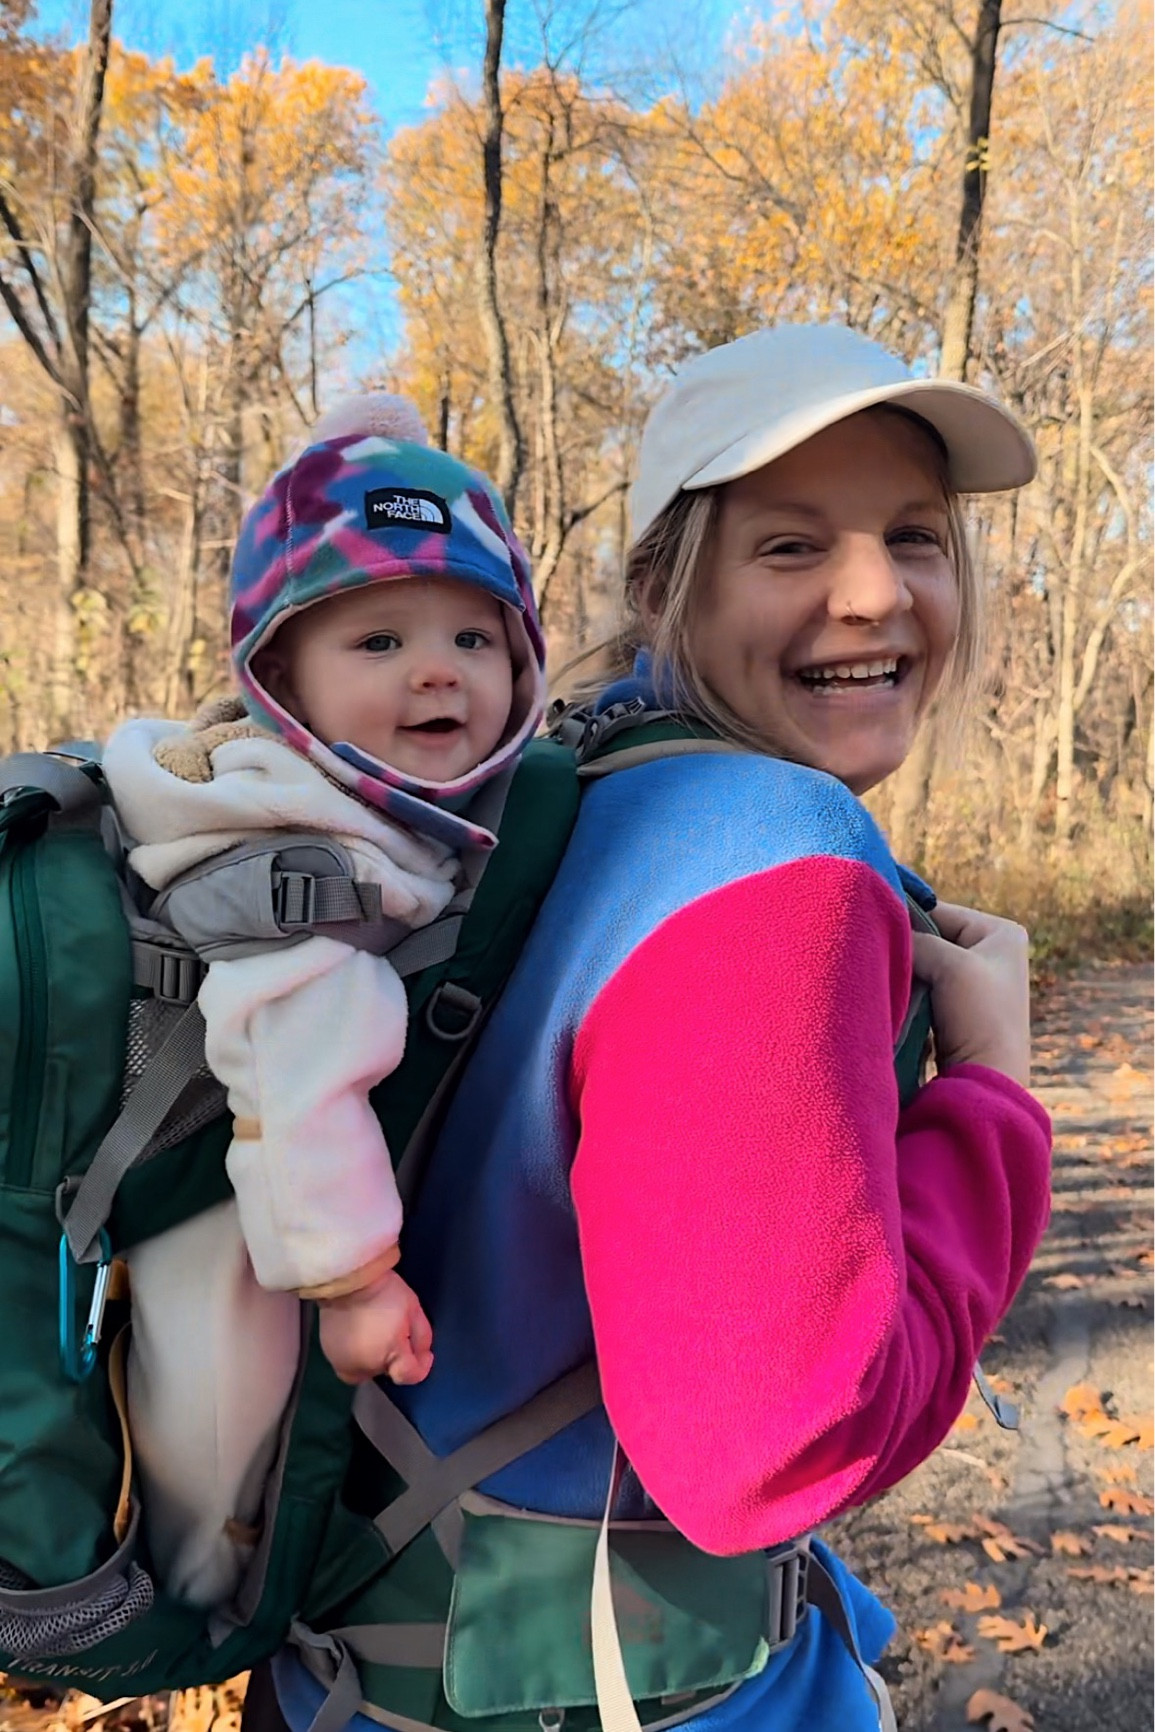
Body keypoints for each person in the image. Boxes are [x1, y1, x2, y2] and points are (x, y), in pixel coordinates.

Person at [250, 323, 1053, 1732]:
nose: (871, 596)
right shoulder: (768, 854)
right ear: (658, 585)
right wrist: (989, 1094)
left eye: (913, 537)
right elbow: (775, 1450)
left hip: (356, 1674)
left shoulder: (546, 790)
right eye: (790, 548)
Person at [101, 397, 546, 1610]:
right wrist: (351, 1284)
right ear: (278, 676)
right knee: (222, 1414)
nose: (438, 669)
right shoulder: (300, 850)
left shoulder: (375, 803)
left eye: (475, 635)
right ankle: (196, 1595)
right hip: (232, 1203)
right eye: (379, 644)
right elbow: (292, 1065)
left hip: (257, 1171)